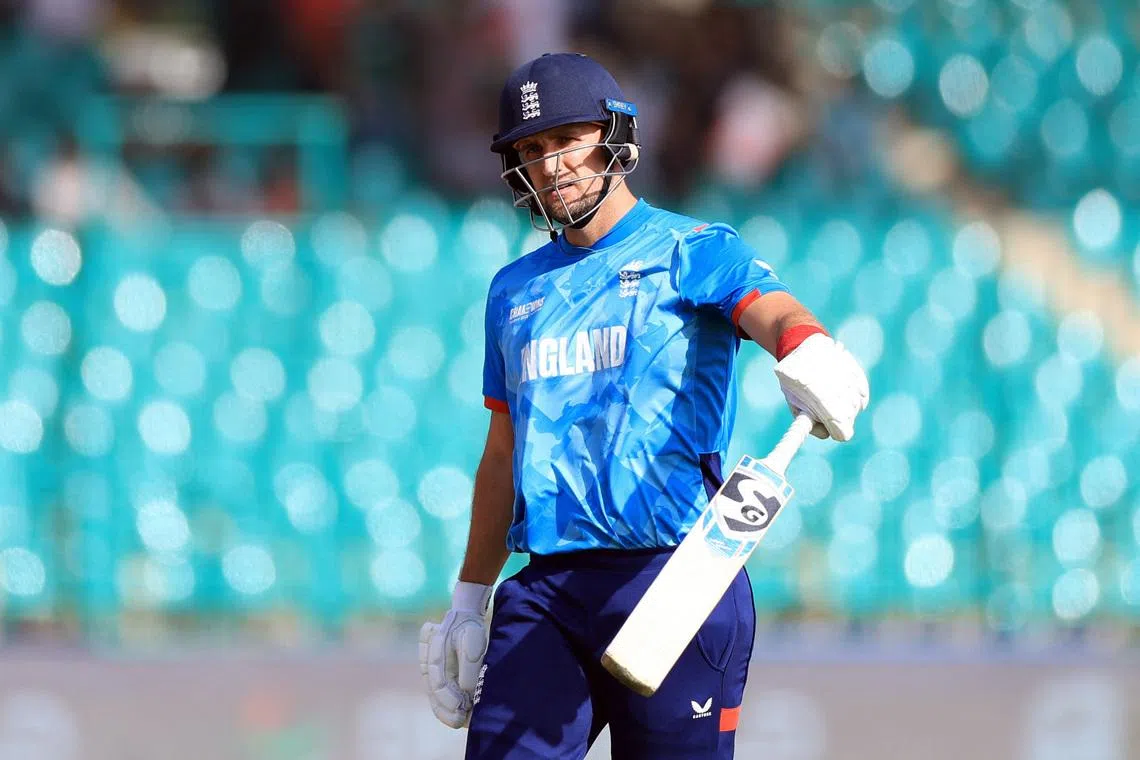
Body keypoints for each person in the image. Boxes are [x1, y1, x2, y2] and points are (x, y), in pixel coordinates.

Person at [419, 52, 869, 759]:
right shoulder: (513, 291)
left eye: (566, 139)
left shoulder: (692, 248)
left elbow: (777, 312)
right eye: (530, 150)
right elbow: (503, 453)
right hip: (548, 591)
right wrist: (470, 599)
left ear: (614, 135)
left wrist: (807, 346)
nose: (550, 165)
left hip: (676, 577)